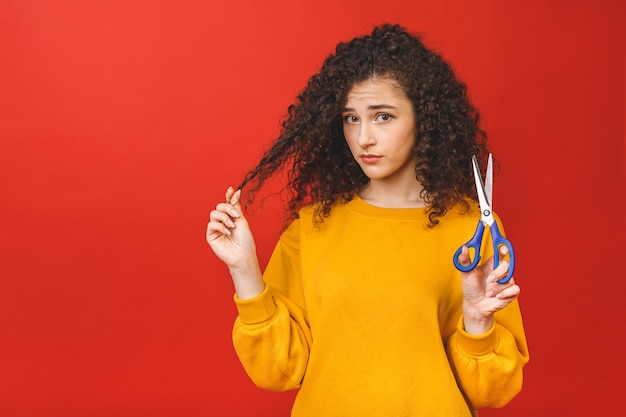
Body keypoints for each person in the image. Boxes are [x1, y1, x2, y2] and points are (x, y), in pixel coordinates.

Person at [206, 23, 529, 416]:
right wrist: (244, 271)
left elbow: (491, 393)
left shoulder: (474, 229)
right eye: (351, 118)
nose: (363, 139)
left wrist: (478, 323)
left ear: (423, 118)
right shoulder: (313, 228)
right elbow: (278, 373)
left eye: (383, 117)